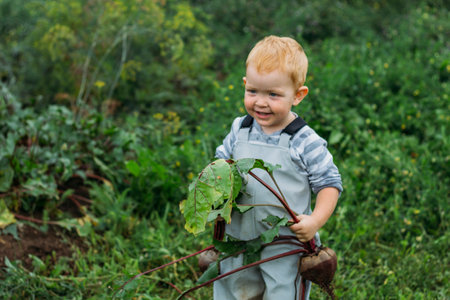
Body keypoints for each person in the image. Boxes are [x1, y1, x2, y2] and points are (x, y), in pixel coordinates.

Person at [213, 35, 343, 300]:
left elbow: (329, 183)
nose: (261, 102)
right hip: (238, 237)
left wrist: (316, 220)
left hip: (283, 242)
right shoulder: (240, 129)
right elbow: (220, 166)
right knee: (233, 289)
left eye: (273, 94)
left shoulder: (304, 140)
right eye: (253, 92)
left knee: (283, 291)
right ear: (245, 85)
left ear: (298, 95)